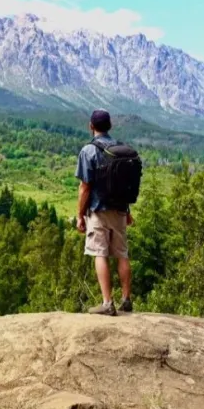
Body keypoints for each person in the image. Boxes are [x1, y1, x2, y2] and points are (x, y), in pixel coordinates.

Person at [76, 109, 135, 316]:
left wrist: (80, 216)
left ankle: (107, 303)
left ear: (91, 126)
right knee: (122, 254)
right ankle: (126, 300)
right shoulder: (120, 149)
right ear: (110, 126)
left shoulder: (88, 151)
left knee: (99, 253)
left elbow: (85, 187)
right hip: (120, 209)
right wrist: (127, 211)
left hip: (98, 210)